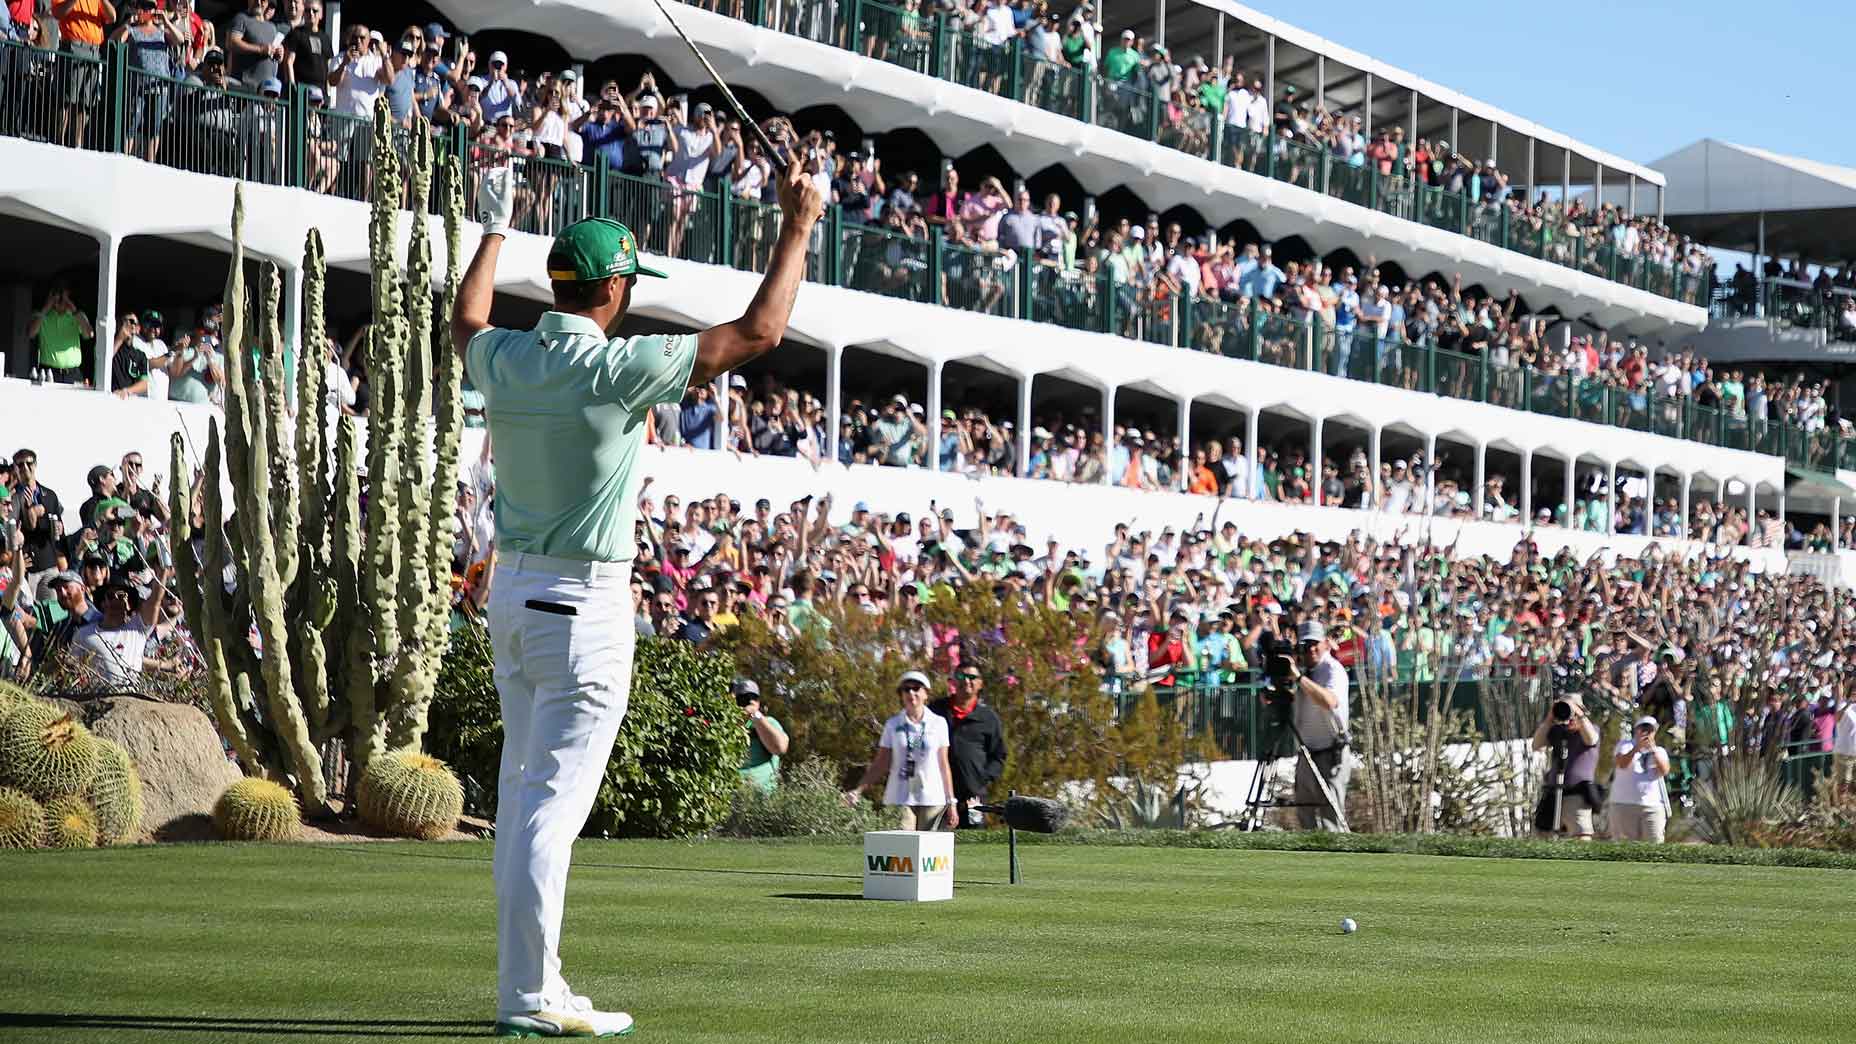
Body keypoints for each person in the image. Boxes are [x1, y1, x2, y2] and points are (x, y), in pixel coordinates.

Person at [449, 144, 822, 1038]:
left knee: (522, 797)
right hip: (583, 607)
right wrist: (799, 223)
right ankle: (529, 998)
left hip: (511, 601)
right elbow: (760, 331)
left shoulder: (507, 357)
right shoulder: (618, 368)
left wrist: (491, 226)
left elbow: (464, 319)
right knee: (547, 809)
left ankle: (533, 985)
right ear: (612, 290)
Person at [844, 670, 957, 831]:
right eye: (906, 689)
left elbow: (943, 764)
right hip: (900, 797)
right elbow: (881, 762)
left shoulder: (938, 723)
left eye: (916, 688)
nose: (911, 693)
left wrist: (951, 801)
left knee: (930, 851)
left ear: (926, 693)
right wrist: (859, 789)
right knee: (903, 852)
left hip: (932, 797)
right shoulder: (893, 724)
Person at [1287, 620, 1349, 831]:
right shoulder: (1301, 671)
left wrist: (1298, 678)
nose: (1311, 649)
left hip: (1331, 752)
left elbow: (1329, 701)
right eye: (1305, 645)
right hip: (1306, 752)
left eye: (1315, 643)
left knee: (1331, 818)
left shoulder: (1333, 670)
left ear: (1324, 643)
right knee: (1305, 815)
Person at [929, 663, 1008, 828]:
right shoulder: (936, 711)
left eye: (972, 677)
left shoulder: (988, 718)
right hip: (936, 793)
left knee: (972, 843)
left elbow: (998, 756)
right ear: (953, 681)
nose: (966, 681)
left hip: (972, 798)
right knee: (934, 846)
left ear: (980, 683)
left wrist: (981, 779)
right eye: (961, 676)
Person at [1529, 689, 1601, 839]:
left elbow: (1591, 739)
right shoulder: (1557, 731)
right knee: (1543, 834)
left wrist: (1579, 714)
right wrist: (1549, 719)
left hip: (1577, 793)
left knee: (1580, 835)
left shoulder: (1591, 729)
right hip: (1553, 791)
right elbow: (1536, 745)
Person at [1610, 715, 1670, 843]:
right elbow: (1622, 764)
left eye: (1650, 730)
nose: (1646, 733)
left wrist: (1653, 750)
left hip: (1652, 806)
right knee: (1624, 846)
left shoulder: (1659, 751)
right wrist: (1637, 748)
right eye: (1643, 729)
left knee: (1655, 844)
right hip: (1624, 804)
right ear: (1636, 730)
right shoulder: (1624, 745)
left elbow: (1664, 770)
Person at [732, 678, 788, 794]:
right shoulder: (730, 726)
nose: (748, 701)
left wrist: (755, 716)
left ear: (758, 702)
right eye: (742, 698)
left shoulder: (768, 722)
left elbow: (780, 747)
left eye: (753, 697)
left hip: (761, 802)